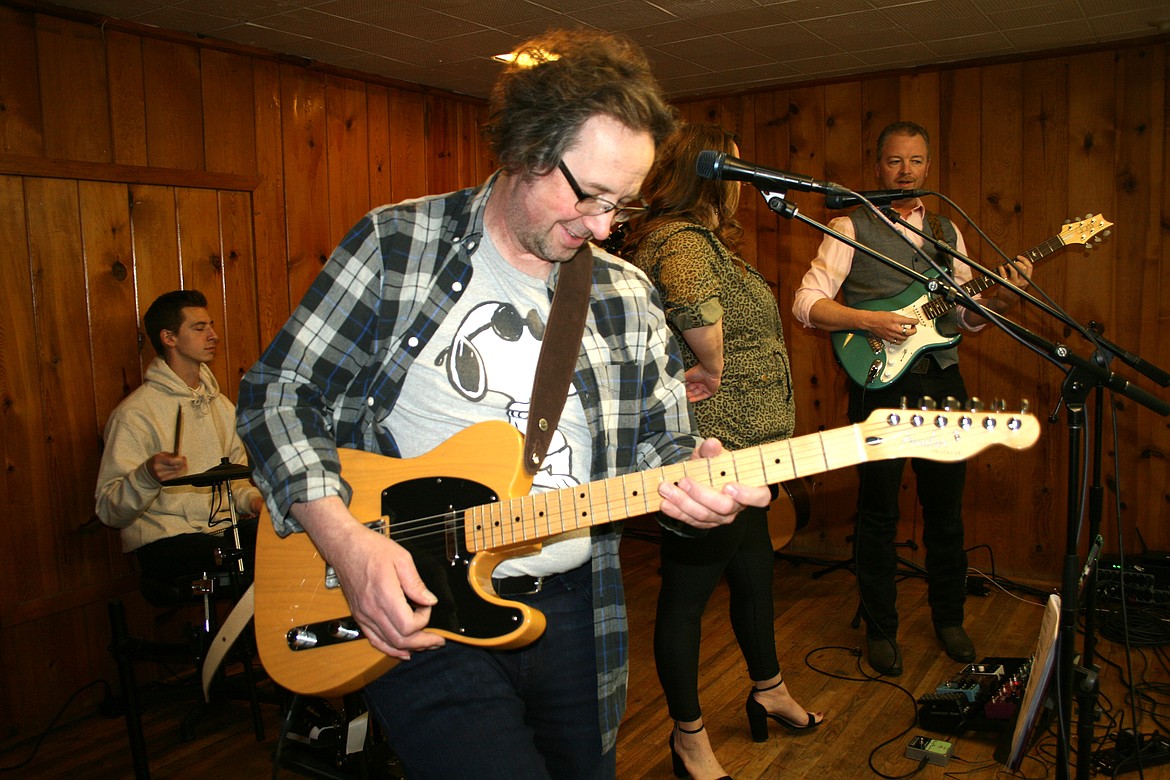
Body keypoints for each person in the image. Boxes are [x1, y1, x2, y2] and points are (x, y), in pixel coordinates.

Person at [235, 30, 771, 780]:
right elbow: (279, 396)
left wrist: (693, 479)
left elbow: (659, 445)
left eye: (622, 204)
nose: (604, 226)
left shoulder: (625, 293)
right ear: (525, 148)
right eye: (589, 196)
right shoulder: (399, 248)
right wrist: (347, 546)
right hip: (422, 606)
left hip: (578, 610)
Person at [792, 121, 1032, 676]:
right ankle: (880, 627)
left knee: (945, 512)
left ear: (928, 167)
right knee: (877, 511)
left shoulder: (948, 231)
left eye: (917, 161)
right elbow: (807, 301)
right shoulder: (848, 225)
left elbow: (968, 320)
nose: (906, 171)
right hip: (880, 381)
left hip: (942, 381)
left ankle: (949, 618)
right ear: (878, 167)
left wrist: (1006, 293)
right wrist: (867, 319)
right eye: (896, 161)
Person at [623, 123, 823, 780]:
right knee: (686, 594)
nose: (744, 187)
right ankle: (687, 735)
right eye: (735, 172)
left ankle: (768, 688)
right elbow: (691, 301)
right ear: (709, 176)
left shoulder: (710, 243)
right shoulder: (680, 239)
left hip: (755, 456)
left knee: (756, 574)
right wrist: (708, 359)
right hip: (712, 454)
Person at [96, 289, 263, 586]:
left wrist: (253, 501)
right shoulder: (134, 414)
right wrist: (146, 476)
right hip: (167, 541)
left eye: (211, 326)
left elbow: (235, 481)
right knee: (246, 556)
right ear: (168, 338)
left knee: (287, 536)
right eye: (199, 328)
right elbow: (109, 511)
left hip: (223, 532)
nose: (213, 335)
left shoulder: (221, 406)